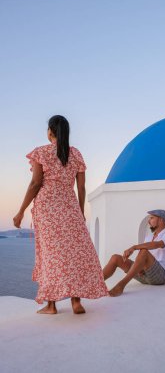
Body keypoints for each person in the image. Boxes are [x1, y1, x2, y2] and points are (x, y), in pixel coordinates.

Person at [13, 115, 109, 314]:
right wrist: (80, 212)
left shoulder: (41, 152)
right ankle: (76, 302)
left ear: (50, 131)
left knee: (50, 255)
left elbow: (35, 184)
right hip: (70, 207)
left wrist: (21, 211)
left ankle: (51, 305)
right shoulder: (75, 154)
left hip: (47, 209)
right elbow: (81, 188)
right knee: (75, 252)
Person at [103, 209, 165, 297]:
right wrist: (140, 268)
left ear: (161, 220)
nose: (149, 221)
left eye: (152, 218)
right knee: (115, 258)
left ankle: (121, 285)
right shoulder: (148, 237)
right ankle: (95, 285)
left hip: (160, 276)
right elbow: (142, 258)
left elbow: (157, 244)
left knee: (144, 251)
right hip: (144, 274)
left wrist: (134, 247)